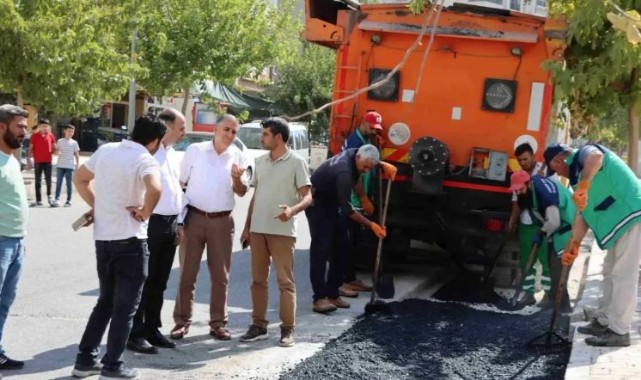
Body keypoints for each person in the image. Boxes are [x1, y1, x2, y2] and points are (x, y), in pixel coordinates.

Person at [71, 115, 164, 379]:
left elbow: (80, 178)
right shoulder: (145, 158)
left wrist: (97, 205)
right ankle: (113, 365)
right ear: (155, 141)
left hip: (104, 240)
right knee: (125, 308)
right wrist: (145, 212)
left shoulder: (106, 150)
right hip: (131, 240)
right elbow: (155, 189)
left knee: (105, 303)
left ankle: (85, 360)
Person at [545, 142, 641, 347]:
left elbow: (596, 157)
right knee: (610, 271)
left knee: (623, 275)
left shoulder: (583, 154)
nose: (559, 173)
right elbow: (584, 214)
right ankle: (605, 320)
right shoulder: (576, 177)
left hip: (632, 215)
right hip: (619, 222)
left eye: (556, 169)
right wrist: (574, 244)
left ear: (558, 160)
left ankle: (620, 331)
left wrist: (585, 185)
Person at [171, 114, 250, 341]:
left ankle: (218, 323)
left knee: (220, 275)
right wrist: (178, 220)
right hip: (194, 218)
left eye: (234, 132)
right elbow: (180, 184)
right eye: (226, 129)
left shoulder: (238, 156)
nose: (230, 135)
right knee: (187, 273)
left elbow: (242, 191)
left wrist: (236, 178)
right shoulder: (195, 150)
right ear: (215, 129)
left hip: (222, 221)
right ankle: (181, 321)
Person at [239, 117, 312, 347]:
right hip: (258, 230)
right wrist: (247, 227)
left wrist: (292, 211)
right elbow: (255, 196)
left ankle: (287, 329)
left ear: (278, 137)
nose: (262, 139)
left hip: (282, 231)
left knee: (285, 282)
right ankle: (258, 325)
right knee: (258, 281)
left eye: (265, 135)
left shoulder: (297, 162)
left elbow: (308, 196)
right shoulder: (260, 161)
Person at [306, 144, 394, 313]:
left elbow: (359, 172)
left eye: (371, 168)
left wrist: (382, 165)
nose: (367, 170)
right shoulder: (344, 172)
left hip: (333, 202)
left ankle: (333, 293)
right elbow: (348, 211)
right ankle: (319, 298)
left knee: (342, 247)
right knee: (321, 250)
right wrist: (372, 225)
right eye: (366, 167)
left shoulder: (355, 154)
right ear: (358, 159)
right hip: (318, 203)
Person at [127, 109, 186, 354]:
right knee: (145, 280)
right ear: (166, 127)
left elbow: (178, 191)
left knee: (160, 282)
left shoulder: (172, 155)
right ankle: (135, 332)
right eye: (181, 128)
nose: (184, 133)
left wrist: (180, 223)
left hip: (171, 223)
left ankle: (152, 328)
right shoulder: (148, 154)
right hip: (151, 223)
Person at [508, 170, 575, 312]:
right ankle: (555, 304)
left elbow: (554, 222)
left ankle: (557, 306)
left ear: (528, 184)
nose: (519, 192)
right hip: (557, 224)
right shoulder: (532, 189)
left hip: (568, 225)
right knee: (548, 264)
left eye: (520, 189)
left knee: (555, 265)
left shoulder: (545, 194)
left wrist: (542, 232)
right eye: (516, 190)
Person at [339, 111, 384, 297]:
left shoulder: (366, 141)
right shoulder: (356, 144)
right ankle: (345, 280)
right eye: (372, 128)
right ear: (364, 123)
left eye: (377, 129)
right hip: (353, 199)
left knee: (355, 241)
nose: (374, 131)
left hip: (357, 199)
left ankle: (349, 278)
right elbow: (355, 177)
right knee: (348, 241)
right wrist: (364, 199)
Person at [0, 104, 29, 371]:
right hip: (1, 241)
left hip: (16, 240)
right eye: (19, 126)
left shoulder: (12, 158)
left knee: (5, 300)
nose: (24, 131)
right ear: (1, 127)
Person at [507, 143, 550, 308]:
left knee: (544, 261)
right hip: (525, 224)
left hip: (543, 223)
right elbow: (516, 201)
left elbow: (553, 195)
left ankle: (548, 295)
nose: (523, 163)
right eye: (520, 160)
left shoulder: (546, 171)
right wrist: (513, 219)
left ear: (533, 156)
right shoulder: (518, 176)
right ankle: (528, 294)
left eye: (525, 159)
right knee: (526, 261)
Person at [27, 119, 57, 207]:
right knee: (38, 181)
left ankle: (49, 197)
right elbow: (30, 148)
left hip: (48, 161)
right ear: (39, 127)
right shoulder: (34, 136)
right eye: (43, 126)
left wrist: (57, 149)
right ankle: (38, 200)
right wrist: (29, 160)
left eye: (46, 126)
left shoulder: (51, 136)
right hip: (38, 162)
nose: (45, 128)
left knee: (48, 180)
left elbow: (54, 147)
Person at [52, 124, 80, 207]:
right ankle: (57, 199)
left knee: (68, 184)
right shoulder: (60, 141)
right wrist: (56, 152)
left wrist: (77, 164)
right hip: (60, 165)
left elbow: (76, 154)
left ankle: (69, 200)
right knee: (59, 183)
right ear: (65, 131)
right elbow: (56, 152)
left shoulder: (74, 143)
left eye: (72, 132)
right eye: (69, 131)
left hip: (70, 166)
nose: (71, 133)